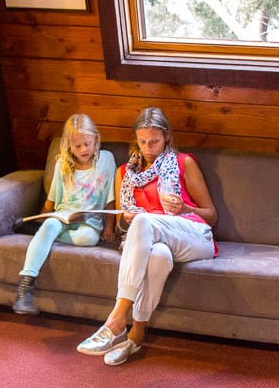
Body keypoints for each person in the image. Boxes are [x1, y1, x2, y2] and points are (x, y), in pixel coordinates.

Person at [76, 107, 218, 366]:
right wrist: (124, 219)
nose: (148, 147)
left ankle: (116, 319)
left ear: (166, 137)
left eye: (154, 141)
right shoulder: (124, 173)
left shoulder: (183, 162)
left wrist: (183, 208)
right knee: (158, 256)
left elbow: (211, 216)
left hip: (194, 236)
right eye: (142, 142)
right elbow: (121, 225)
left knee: (143, 220)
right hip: (154, 241)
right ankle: (135, 336)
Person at [13, 114, 116, 315]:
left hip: (89, 221)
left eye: (87, 144)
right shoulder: (62, 164)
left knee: (87, 239)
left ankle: (40, 233)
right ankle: (24, 289)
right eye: (77, 146)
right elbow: (51, 200)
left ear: (96, 139)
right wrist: (43, 217)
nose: (83, 150)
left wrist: (110, 227)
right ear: (69, 146)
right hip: (63, 215)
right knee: (51, 225)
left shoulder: (106, 159)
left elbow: (111, 197)